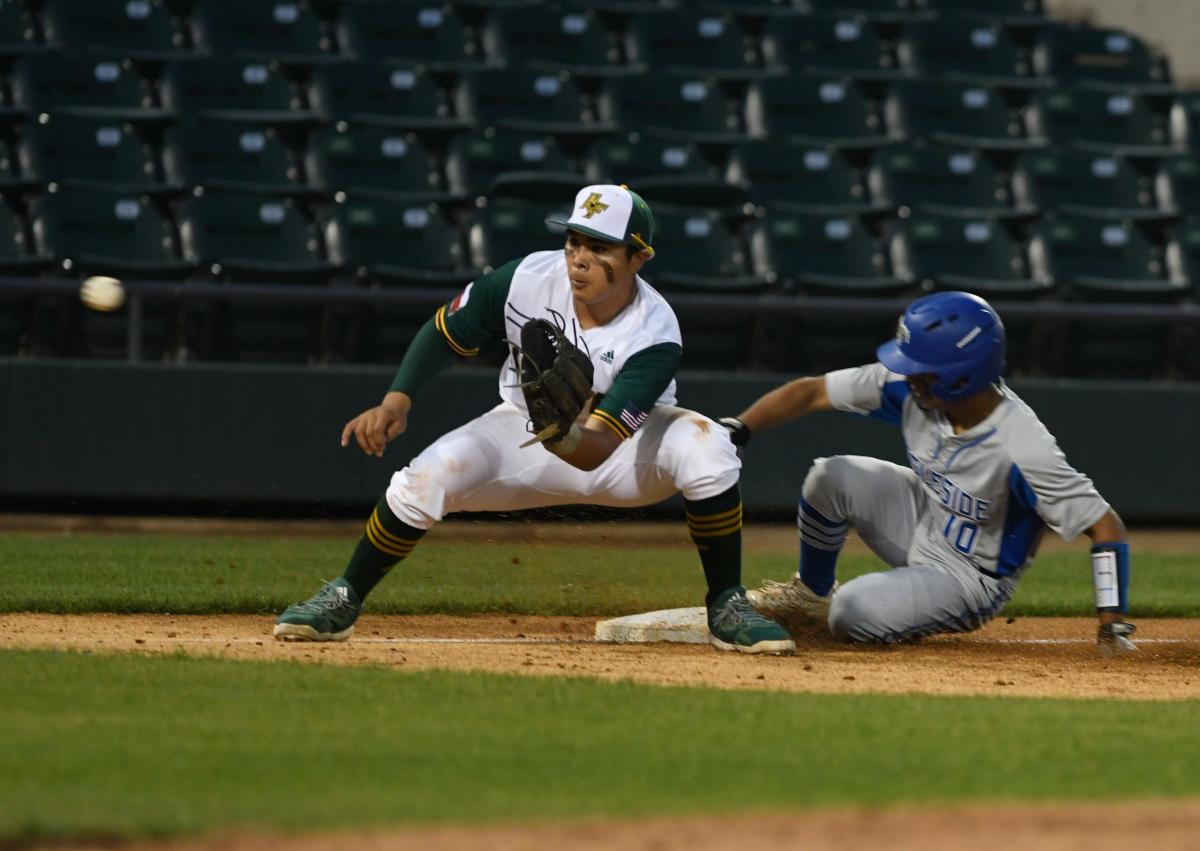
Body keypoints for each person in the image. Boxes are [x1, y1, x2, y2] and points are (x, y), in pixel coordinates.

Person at [274, 184, 794, 655]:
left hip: (625, 449)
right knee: (428, 474)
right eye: (574, 242)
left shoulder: (655, 334)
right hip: (523, 425)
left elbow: (594, 451)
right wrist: (397, 400)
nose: (579, 260)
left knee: (708, 444)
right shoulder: (527, 276)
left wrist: (562, 431)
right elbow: (445, 329)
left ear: (639, 257)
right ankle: (343, 595)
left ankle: (727, 603)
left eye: (600, 248)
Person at [721, 291, 1136, 653]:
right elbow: (811, 391)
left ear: (962, 376)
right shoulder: (909, 389)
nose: (908, 372)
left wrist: (1112, 624)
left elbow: (1106, 526)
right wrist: (739, 427)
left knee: (851, 613)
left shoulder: (1023, 448)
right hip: (925, 517)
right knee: (830, 476)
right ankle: (810, 595)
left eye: (922, 366)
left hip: (971, 577)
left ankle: (892, 614)